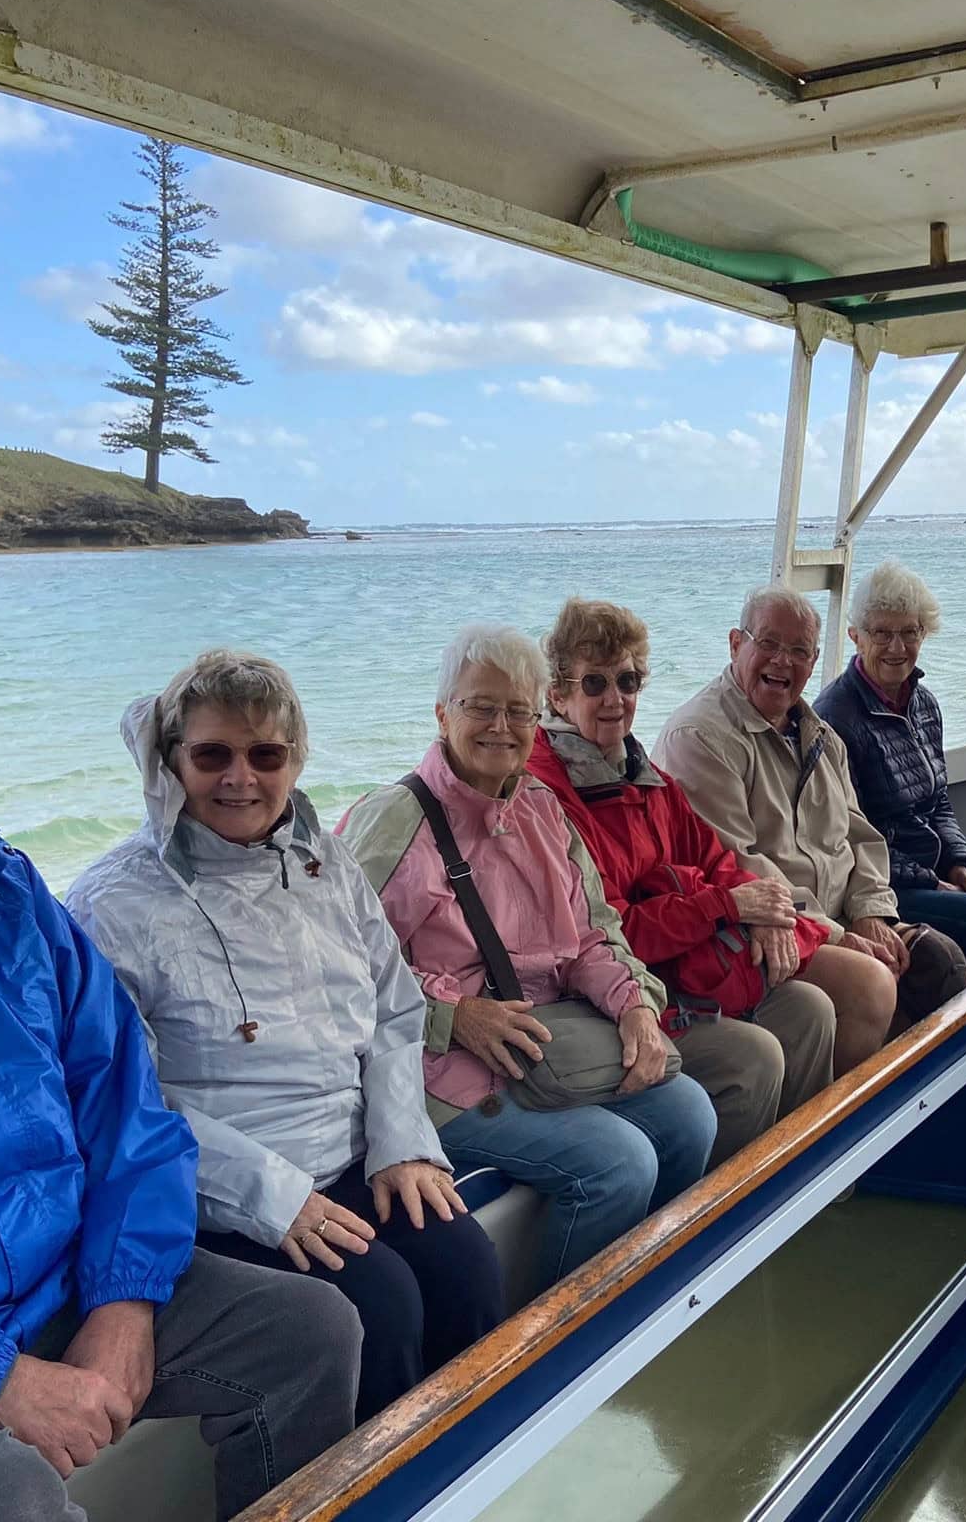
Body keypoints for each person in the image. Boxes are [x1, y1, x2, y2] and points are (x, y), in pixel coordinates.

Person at [0, 636, 360, 1522]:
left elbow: (123, 1101)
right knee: (0, 1492)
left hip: (47, 1281)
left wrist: (124, 1296)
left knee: (311, 1331)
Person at [68, 650, 504, 1423]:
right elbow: (127, 1104)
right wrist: (276, 1198)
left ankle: (466, 1461)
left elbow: (393, 1010)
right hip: (224, 1186)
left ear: (295, 760)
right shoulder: (111, 904)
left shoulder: (325, 862)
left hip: (354, 1152)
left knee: (468, 1268)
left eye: (265, 755)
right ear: (172, 761)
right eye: (212, 755)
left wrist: (401, 1141)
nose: (240, 778)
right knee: (384, 1303)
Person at [341, 625, 716, 1289]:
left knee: (689, 1114)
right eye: (481, 706)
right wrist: (455, 1015)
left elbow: (594, 935)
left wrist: (635, 1007)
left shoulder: (542, 808)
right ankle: (551, 1342)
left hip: (544, 1049)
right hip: (438, 1074)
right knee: (618, 1162)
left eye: (519, 711)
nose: (501, 726)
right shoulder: (396, 821)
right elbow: (343, 971)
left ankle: (634, 1294)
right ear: (441, 713)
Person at [528, 600, 898, 1167]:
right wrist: (727, 906)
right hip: (609, 996)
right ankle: (717, 1218)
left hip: (685, 969)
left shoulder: (643, 778)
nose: (614, 699)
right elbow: (610, 931)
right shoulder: (551, 797)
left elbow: (717, 857)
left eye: (627, 681)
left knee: (810, 1013)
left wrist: (769, 912)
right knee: (754, 1057)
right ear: (557, 695)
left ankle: (793, 1178)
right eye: (594, 683)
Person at [654, 586, 966, 1038]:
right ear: (735, 644)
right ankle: (852, 1104)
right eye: (768, 644)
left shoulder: (818, 735)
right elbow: (735, 865)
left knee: (941, 964)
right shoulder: (700, 738)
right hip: (767, 927)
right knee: (871, 985)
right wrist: (839, 936)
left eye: (799, 650)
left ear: (815, 660)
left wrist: (871, 912)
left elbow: (860, 837)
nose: (783, 661)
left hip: (838, 912)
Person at [812, 561, 966, 977]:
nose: (897, 647)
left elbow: (939, 802)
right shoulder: (836, 717)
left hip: (931, 865)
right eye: (882, 633)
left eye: (909, 632)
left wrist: (960, 863)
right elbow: (847, 837)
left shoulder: (923, 704)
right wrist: (931, 881)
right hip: (882, 885)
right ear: (856, 636)